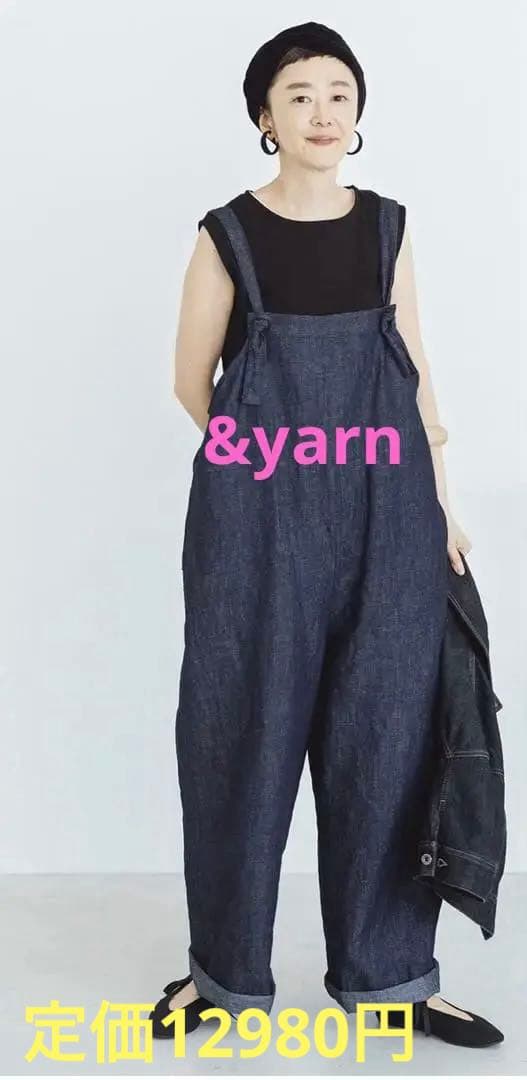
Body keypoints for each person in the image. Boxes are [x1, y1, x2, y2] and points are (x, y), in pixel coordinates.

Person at [149, 22, 503, 1049]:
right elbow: (191, 382)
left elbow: (413, 375)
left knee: (388, 742)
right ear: (264, 117)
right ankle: (223, 979)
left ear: (358, 113)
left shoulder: (387, 228)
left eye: (338, 93)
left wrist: (438, 507)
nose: (321, 112)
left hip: (391, 516)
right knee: (238, 733)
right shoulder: (228, 234)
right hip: (256, 526)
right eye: (297, 94)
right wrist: (271, 472)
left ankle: (390, 979)